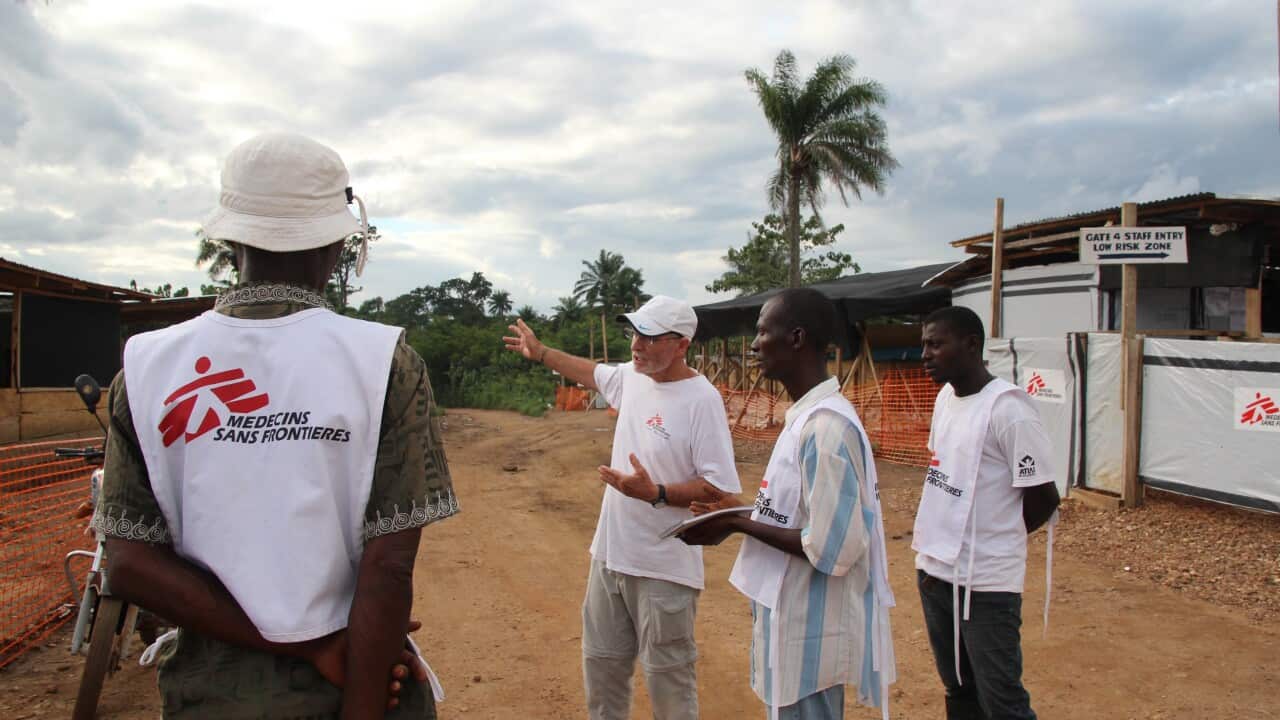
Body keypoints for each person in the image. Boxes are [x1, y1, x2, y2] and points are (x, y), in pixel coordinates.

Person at [97, 132, 457, 719]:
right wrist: (325, 649)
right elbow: (388, 566)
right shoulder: (382, 364)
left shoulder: (145, 367)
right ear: (339, 242)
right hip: (358, 685)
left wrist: (308, 643)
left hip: (211, 696)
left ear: (229, 237)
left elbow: (128, 564)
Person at [503, 295, 741, 720]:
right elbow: (590, 373)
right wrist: (540, 354)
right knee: (602, 679)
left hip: (664, 567)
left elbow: (719, 490)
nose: (637, 345)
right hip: (609, 559)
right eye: (635, 334)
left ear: (681, 344)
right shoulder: (633, 377)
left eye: (649, 337)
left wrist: (659, 493)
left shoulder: (701, 400)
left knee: (670, 689)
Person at [678, 289, 896, 720]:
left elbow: (832, 547)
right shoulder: (803, 420)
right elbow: (797, 513)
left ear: (796, 338)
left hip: (810, 634)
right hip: (789, 622)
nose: (755, 345)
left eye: (763, 332)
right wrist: (736, 511)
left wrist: (740, 524)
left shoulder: (827, 430)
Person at [913, 306, 1059, 720]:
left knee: (1002, 700)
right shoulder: (945, 398)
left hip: (986, 584)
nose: (925, 353)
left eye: (936, 344)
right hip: (935, 572)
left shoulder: (1009, 410)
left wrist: (994, 539)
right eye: (924, 343)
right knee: (959, 689)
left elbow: (1044, 499)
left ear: (971, 345)